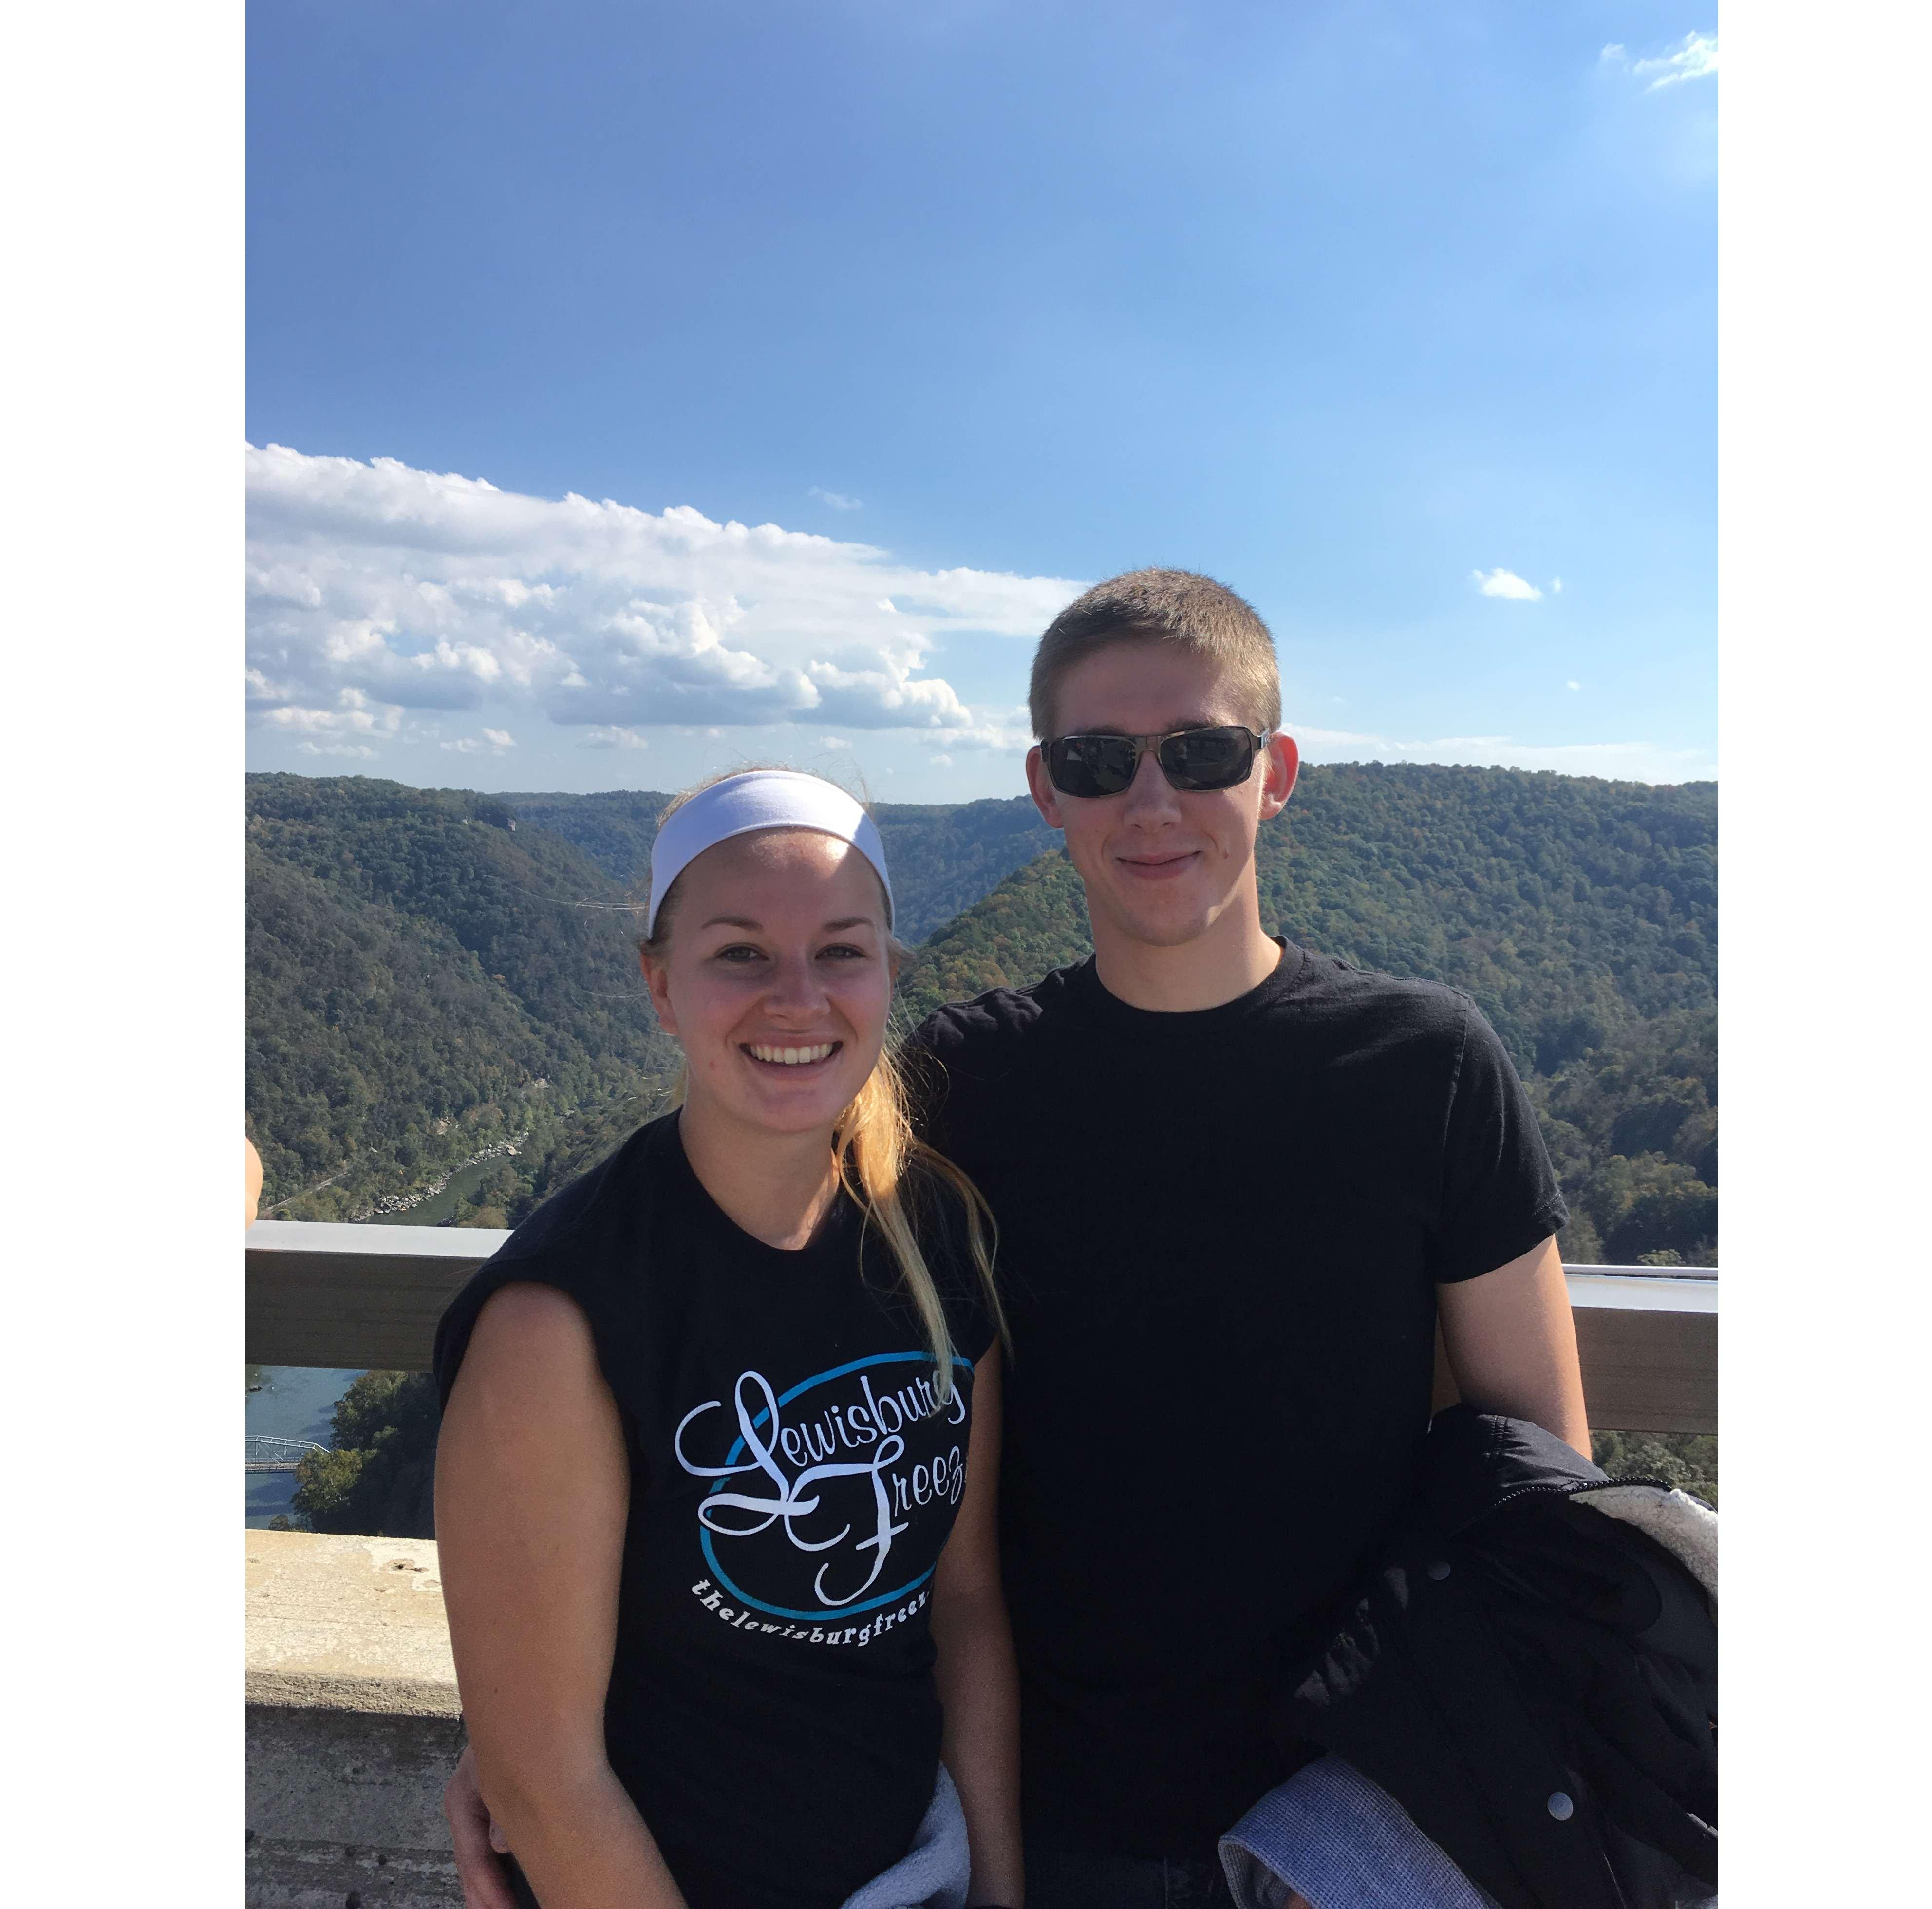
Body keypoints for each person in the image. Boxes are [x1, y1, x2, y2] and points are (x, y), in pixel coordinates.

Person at [446, 571, 1589, 1908]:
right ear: (1046, 788)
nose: (1151, 802)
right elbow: (741, 1272)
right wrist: (528, 1738)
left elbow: (1539, 1484)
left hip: (1359, 1818)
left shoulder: (1427, 1067)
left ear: (1275, 773)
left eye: (1203, 753)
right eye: (1102, 762)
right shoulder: (960, 1091)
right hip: (1054, 1818)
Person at [432, 770, 1023, 1909]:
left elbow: (963, 1604)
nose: (797, 998)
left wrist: (998, 1891)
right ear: (660, 984)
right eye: (741, 954)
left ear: (890, 974)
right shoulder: (560, 1321)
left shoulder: (936, 1234)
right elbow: (543, 1775)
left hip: (916, 1872)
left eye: (842, 951)